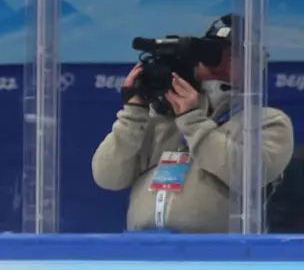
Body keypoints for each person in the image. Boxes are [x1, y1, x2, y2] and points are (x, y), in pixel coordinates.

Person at [91, 16, 295, 233]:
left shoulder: (266, 121)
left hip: (222, 256)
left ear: (255, 65)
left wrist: (192, 120)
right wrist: (134, 113)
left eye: (233, 55)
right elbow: (107, 177)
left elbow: (249, 175)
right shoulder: (160, 121)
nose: (218, 62)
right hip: (145, 251)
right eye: (212, 54)